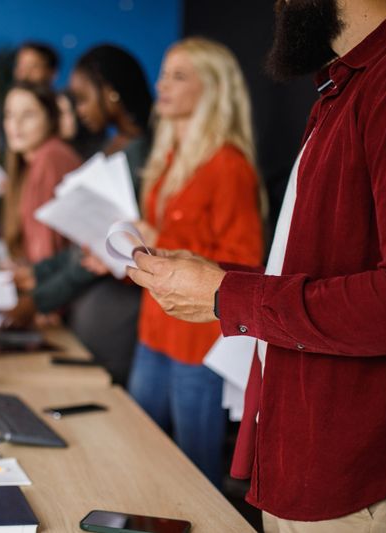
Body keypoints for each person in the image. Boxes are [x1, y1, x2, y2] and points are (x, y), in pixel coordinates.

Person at [127, 1, 386, 531]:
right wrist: (215, 278)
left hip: (361, 478)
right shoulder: (350, 87)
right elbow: (321, 271)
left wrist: (226, 295)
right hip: (308, 463)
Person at [123, 37, 264, 488]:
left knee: (195, 471)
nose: (162, 85)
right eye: (164, 74)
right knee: (135, 452)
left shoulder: (229, 166)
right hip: (154, 327)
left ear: (212, 89)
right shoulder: (166, 158)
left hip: (198, 339)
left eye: (179, 76)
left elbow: (244, 264)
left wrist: (158, 240)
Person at [5, 44, 153, 385]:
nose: (79, 109)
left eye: (83, 98)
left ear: (111, 93)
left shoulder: (138, 155)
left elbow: (102, 248)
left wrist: (37, 299)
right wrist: (40, 275)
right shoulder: (114, 147)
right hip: (91, 299)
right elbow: (85, 244)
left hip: (114, 304)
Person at [1, 81, 81, 264]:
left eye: (28, 114)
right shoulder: (34, 161)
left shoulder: (50, 157)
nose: (16, 124)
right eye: (9, 114)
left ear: (51, 119)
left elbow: (45, 252)